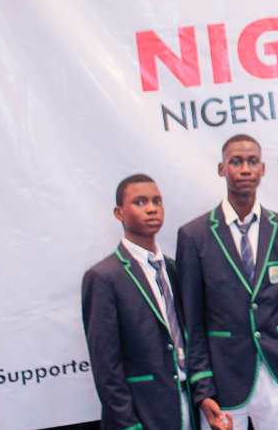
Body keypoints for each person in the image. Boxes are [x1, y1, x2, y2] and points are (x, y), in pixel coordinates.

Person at [176, 134, 278, 430]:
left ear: (263, 169)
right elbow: (192, 320)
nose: (245, 169)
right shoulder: (195, 236)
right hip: (223, 378)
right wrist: (203, 385)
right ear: (222, 169)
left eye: (252, 162)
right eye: (236, 162)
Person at [82, 174, 194, 430]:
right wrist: (127, 424)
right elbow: (106, 365)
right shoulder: (103, 277)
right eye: (140, 202)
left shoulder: (174, 269)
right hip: (143, 413)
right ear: (119, 213)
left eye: (157, 201)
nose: (152, 208)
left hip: (188, 405)